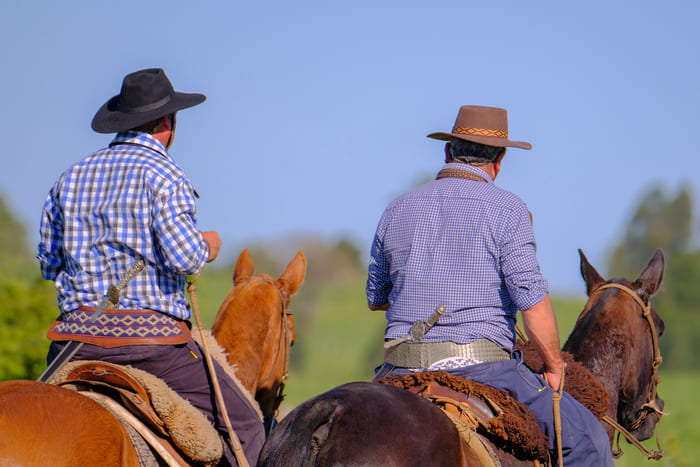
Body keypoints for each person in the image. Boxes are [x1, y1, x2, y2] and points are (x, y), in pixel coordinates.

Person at [38, 68, 263, 466]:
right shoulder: (165, 174)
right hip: (152, 347)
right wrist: (207, 245)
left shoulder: (69, 177)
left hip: (73, 343)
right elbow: (185, 258)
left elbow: (50, 263)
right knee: (246, 426)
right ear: (166, 123)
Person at [366, 105, 613, 465]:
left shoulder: (397, 208)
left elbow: (376, 299)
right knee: (589, 440)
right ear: (499, 160)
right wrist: (555, 367)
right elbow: (534, 305)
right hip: (484, 369)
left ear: (447, 151)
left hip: (400, 368)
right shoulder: (508, 209)